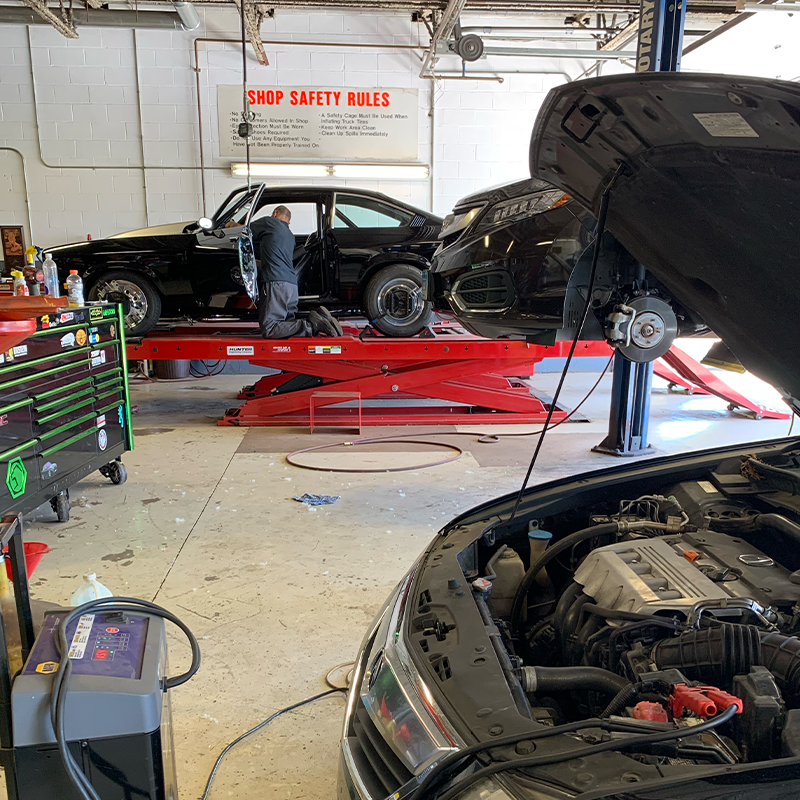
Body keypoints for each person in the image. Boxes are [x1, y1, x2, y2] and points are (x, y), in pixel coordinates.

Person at [250, 205, 343, 339]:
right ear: (289, 221)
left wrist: (229, 225)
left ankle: (312, 325)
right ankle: (323, 318)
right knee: (287, 324)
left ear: (275, 213)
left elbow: (245, 230)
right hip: (291, 286)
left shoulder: (271, 223)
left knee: (270, 328)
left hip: (276, 284)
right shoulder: (290, 236)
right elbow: (279, 259)